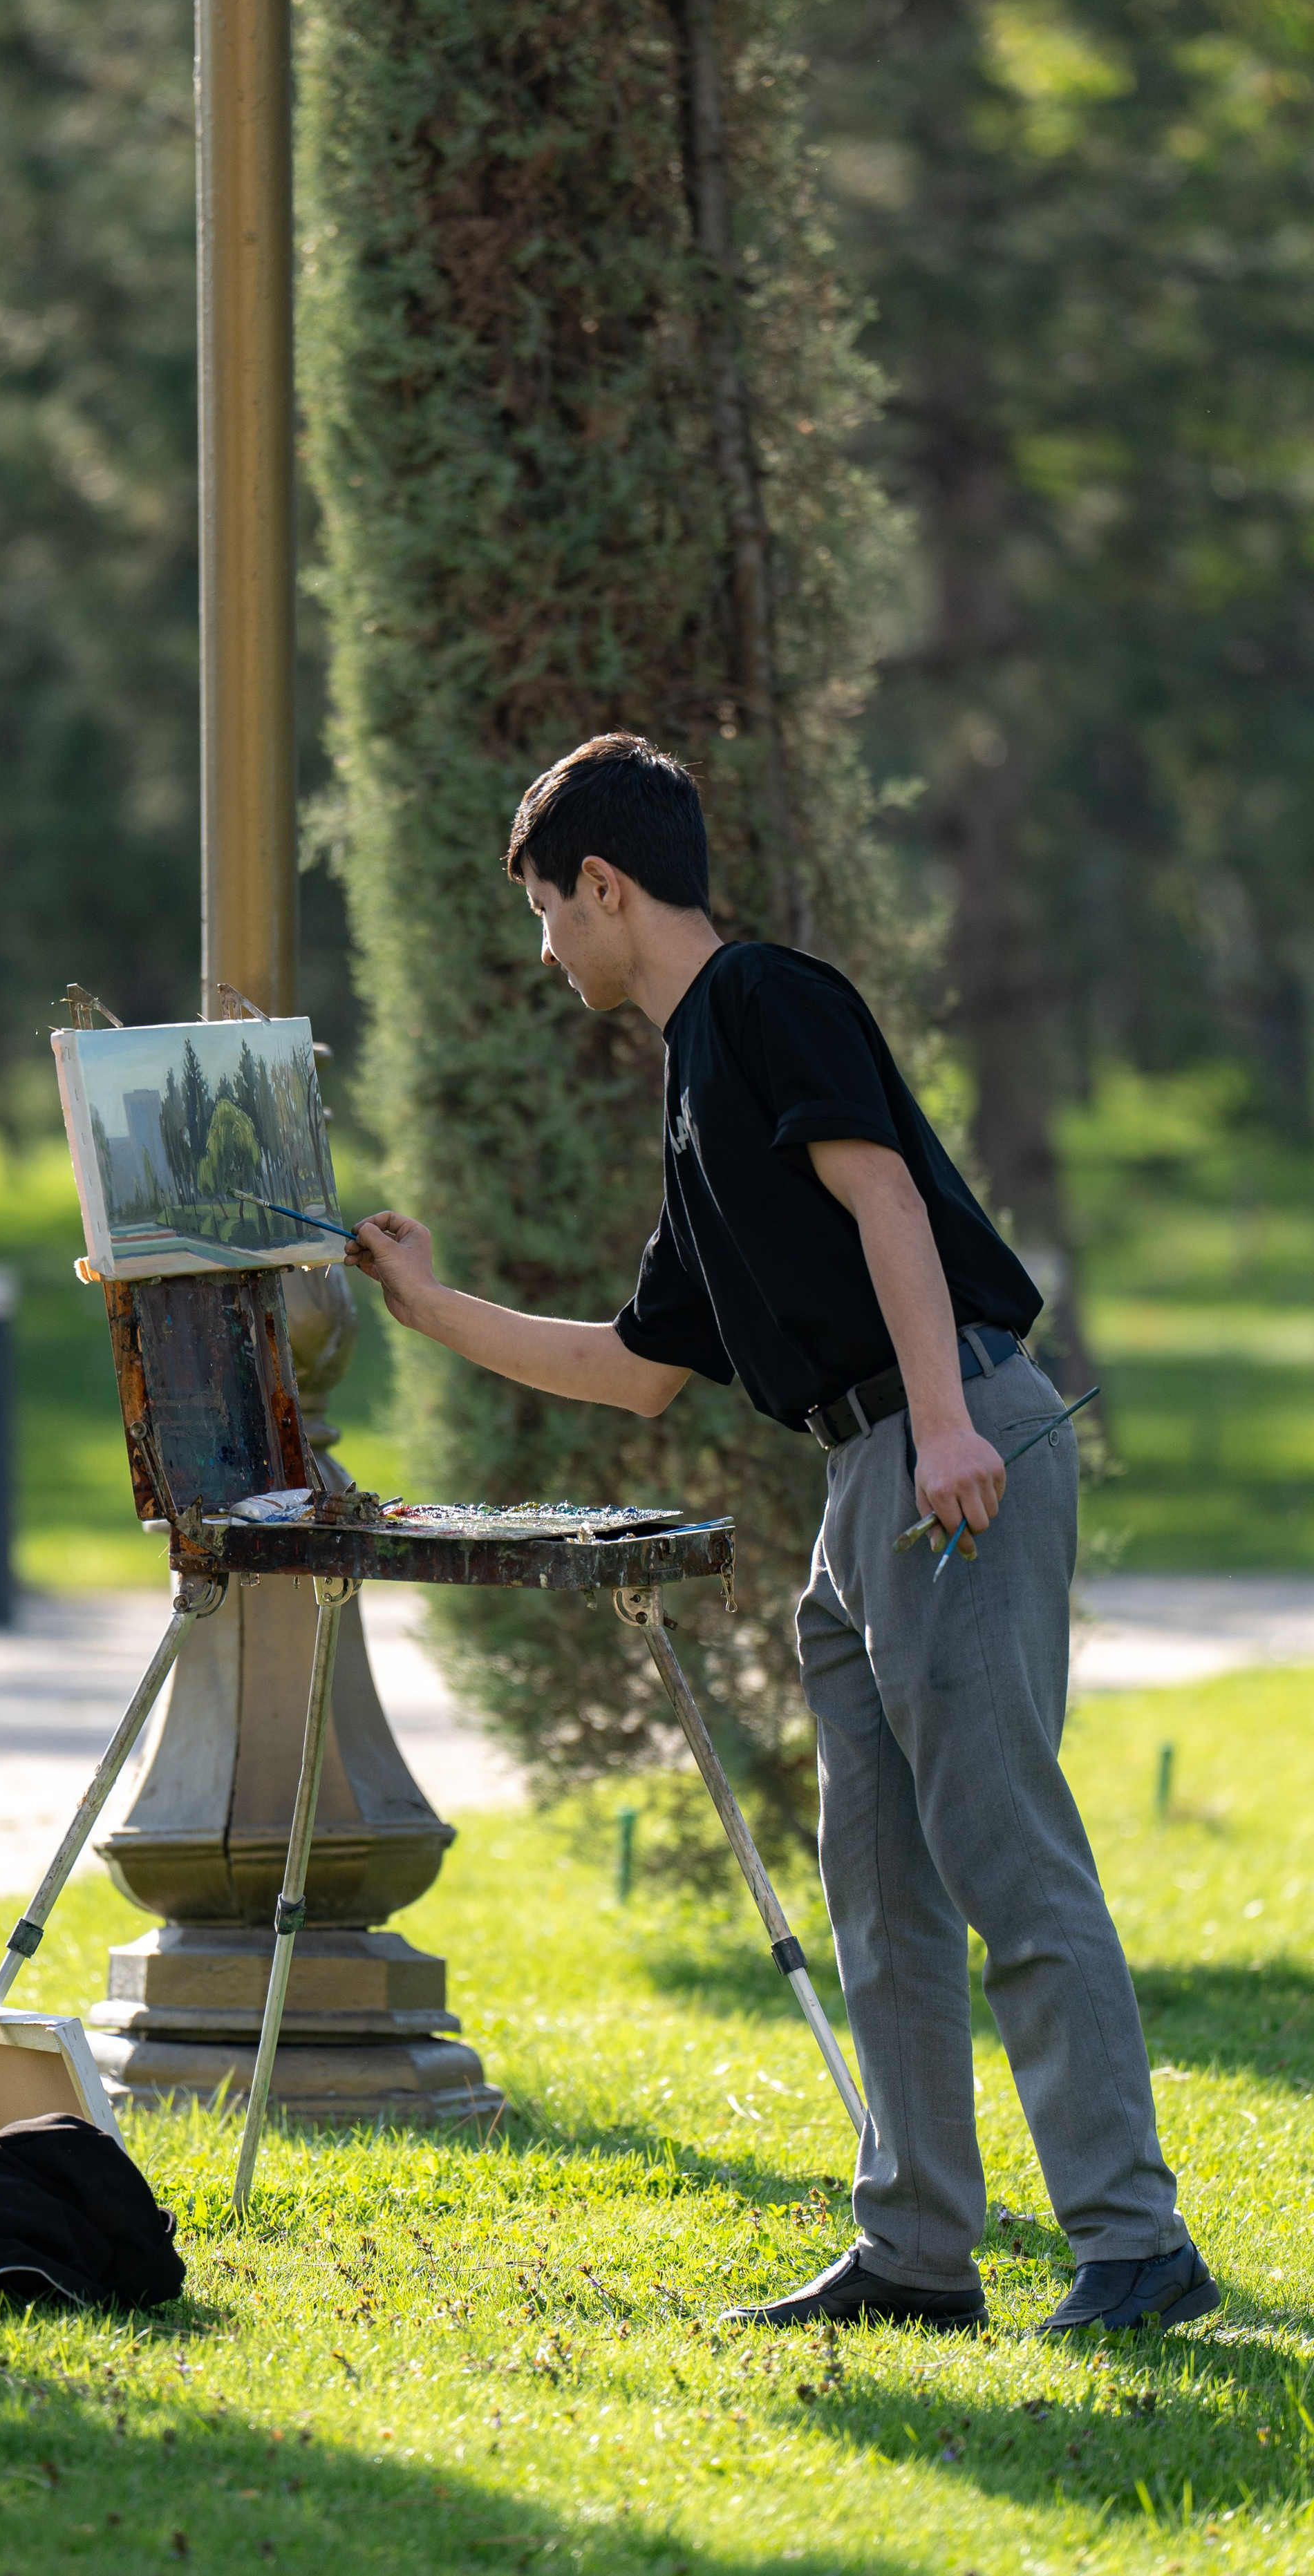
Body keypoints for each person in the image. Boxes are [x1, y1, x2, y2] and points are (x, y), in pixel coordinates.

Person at [348, 731, 1217, 2338]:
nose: (542, 948)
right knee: (878, 1887)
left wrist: (948, 1424)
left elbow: (885, 1200)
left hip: (944, 1438)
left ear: (605, 886)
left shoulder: (763, 998)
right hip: (862, 1478)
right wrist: (426, 1305)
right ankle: (912, 2255)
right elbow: (633, 1375)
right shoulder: (695, 1079)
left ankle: (1131, 2242)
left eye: (544, 910)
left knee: (1004, 1856)